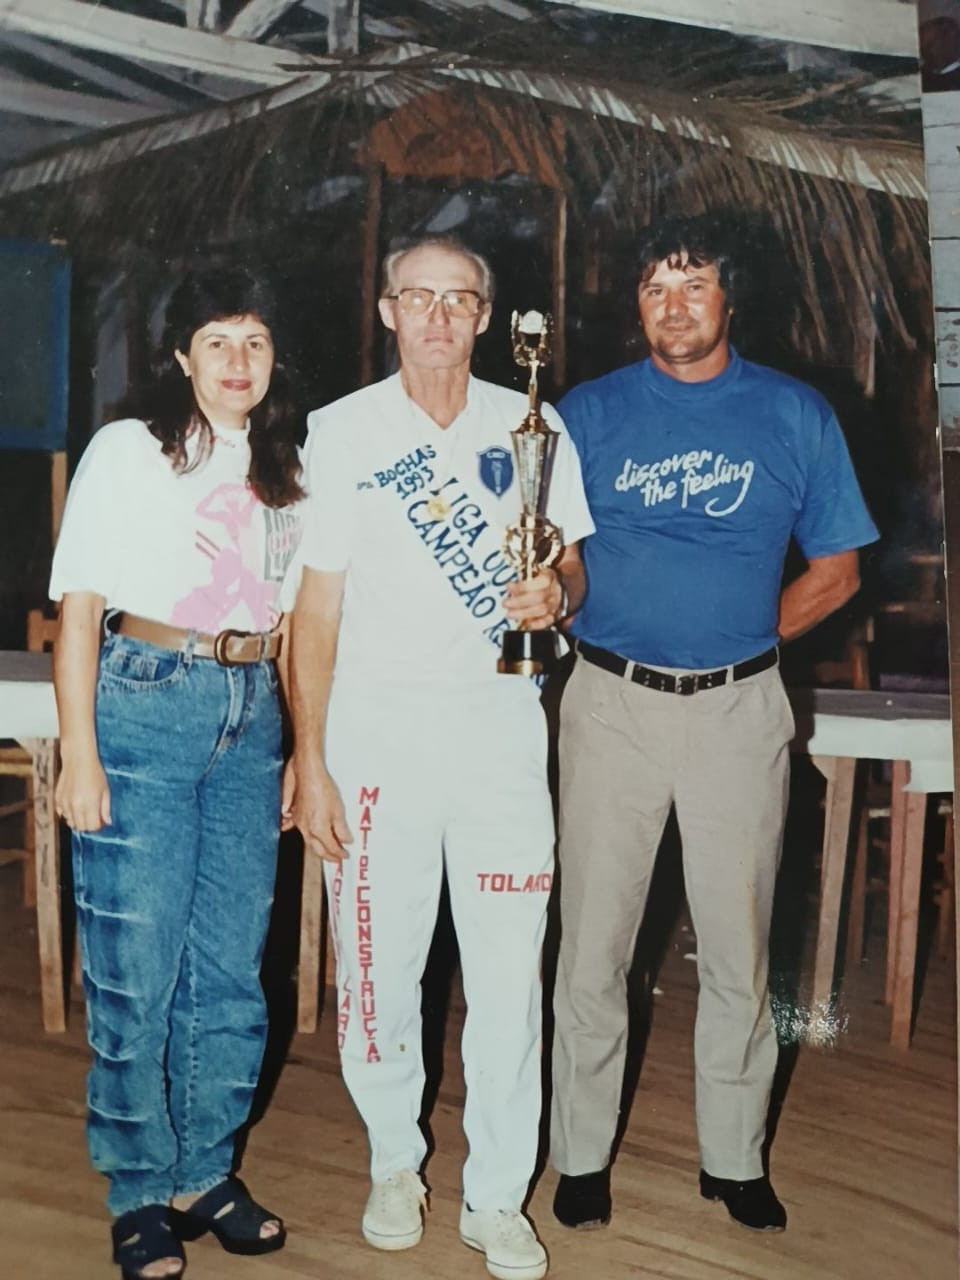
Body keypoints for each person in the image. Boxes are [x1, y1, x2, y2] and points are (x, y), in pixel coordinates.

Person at [549, 215, 879, 1235]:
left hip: (739, 709)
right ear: (637, 305)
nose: (675, 305)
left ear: (730, 298)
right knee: (593, 946)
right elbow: (560, 557)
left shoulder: (794, 413)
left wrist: (746, 636)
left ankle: (734, 1159)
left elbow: (839, 570)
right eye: (656, 287)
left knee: (739, 946)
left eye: (694, 285)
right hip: (610, 704)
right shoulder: (585, 413)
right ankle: (580, 1154)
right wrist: (558, 593)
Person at [286, 236, 593, 1280]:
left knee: (510, 975)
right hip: (377, 741)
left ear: (487, 317)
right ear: (386, 310)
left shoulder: (536, 422)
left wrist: (555, 595)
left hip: (502, 736)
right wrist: (311, 758)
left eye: (458, 299)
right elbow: (314, 611)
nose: (437, 317)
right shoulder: (340, 431)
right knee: (378, 968)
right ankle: (393, 1162)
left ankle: (497, 1195)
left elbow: (573, 567)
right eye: (417, 297)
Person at [50, 266, 303, 1280]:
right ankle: (138, 1190)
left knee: (232, 970)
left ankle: (205, 1171)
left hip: (254, 711)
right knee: (135, 969)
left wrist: (300, 749)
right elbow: (79, 607)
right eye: (217, 341)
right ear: (181, 355)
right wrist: (79, 754)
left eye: (256, 340)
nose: (239, 361)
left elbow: (297, 616)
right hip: (145, 701)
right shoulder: (128, 450)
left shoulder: (289, 464)